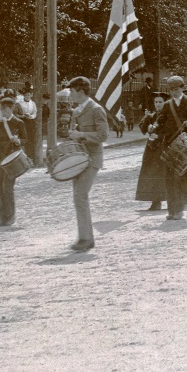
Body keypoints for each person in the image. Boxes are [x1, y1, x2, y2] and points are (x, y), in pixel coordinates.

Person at [64, 76, 109, 251]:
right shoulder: (77, 111)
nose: (70, 95)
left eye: (72, 91)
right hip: (79, 158)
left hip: (92, 159)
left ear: (81, 92)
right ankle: (84, 237)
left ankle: (86, 239)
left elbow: (103, 136)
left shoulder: (96, 109)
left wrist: (81, 135)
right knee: (78, 197)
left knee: (80, 196)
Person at [152, 76, 187, 221]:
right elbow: (160, 123)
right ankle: (171, 210)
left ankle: (180, 209)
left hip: (184, 145)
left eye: (176, 89)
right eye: (171, 90)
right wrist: (154, 128)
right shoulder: (167, 104)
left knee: (180, 177)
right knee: (169, 178)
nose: (174, 92)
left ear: (182, 87)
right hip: (169, 145)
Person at [0, 94, 27, 226]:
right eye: (2, 108)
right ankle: (2, 218)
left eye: (6, 108)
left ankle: (10, 216)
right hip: (0, 159)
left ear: (12, 108)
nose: (3, 111)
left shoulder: (18, 123)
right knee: (0, 188)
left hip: (12, 159)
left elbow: (25, 139)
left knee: (7, 187)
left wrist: (18, 141)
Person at [135, 92, 169, 211]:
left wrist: (158, 136)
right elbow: (143, 130)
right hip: (151, 148)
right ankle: (154, 200)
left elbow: (170, 132)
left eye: (160, 102)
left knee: (161, 174)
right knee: (150, 173)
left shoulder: (168, 115)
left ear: (165, 103)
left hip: (162, 148)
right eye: (156, 102)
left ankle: (160, 200)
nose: (158, 104)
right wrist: (147, 118)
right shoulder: (153, 115)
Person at [18, 84, 39, 163]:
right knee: (24, 138)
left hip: (30, 121)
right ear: (24, 95)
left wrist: (31, 116)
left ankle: (31, 157)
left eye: (29, 95)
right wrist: (23, 115)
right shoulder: (20, 103)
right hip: (23, 121)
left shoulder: (33, 103)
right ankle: (23, 158)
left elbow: (35, 112)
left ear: (31, 95)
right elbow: (16, 113)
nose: (27, 96)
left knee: (31, 139)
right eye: (26, 95)